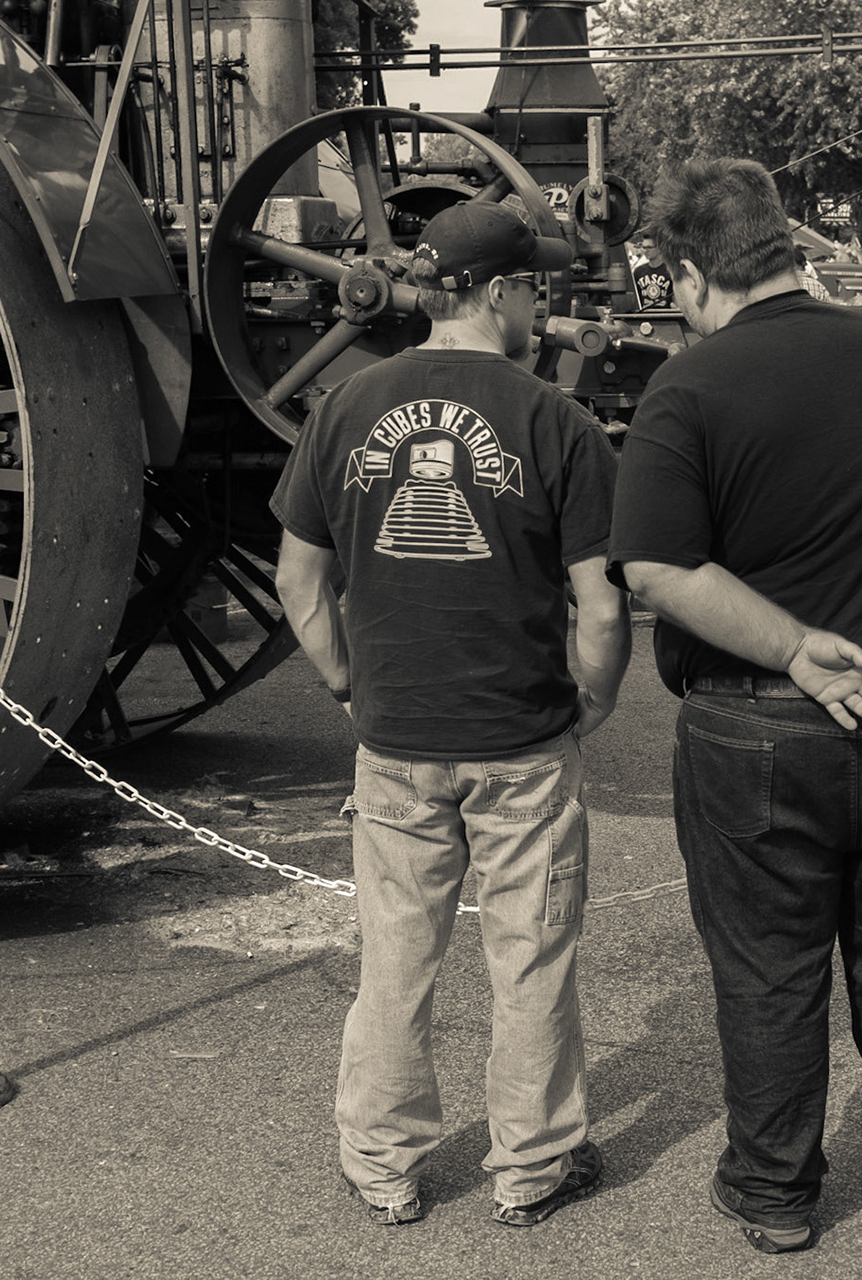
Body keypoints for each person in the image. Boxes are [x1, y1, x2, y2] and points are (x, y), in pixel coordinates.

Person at [608, 158, 862, 1255]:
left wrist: (798, 653)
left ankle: (775, 1190)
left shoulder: (686, 390)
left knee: (770, 964)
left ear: (688, 272)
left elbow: (656, 570)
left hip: (758, 720)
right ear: (783, 245)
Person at [271, 200, 631, 1230]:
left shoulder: (345, 404)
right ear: (504, 291)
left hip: (397, 742)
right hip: (522, 741)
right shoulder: (554, 421)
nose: (538, 307)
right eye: (534, 290)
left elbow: (301, 580)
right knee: (531, 958)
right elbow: (600, 604)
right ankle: (532, 1165)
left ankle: (382, 1163)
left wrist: (350, 685)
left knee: (395, 958)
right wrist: (592, 700)